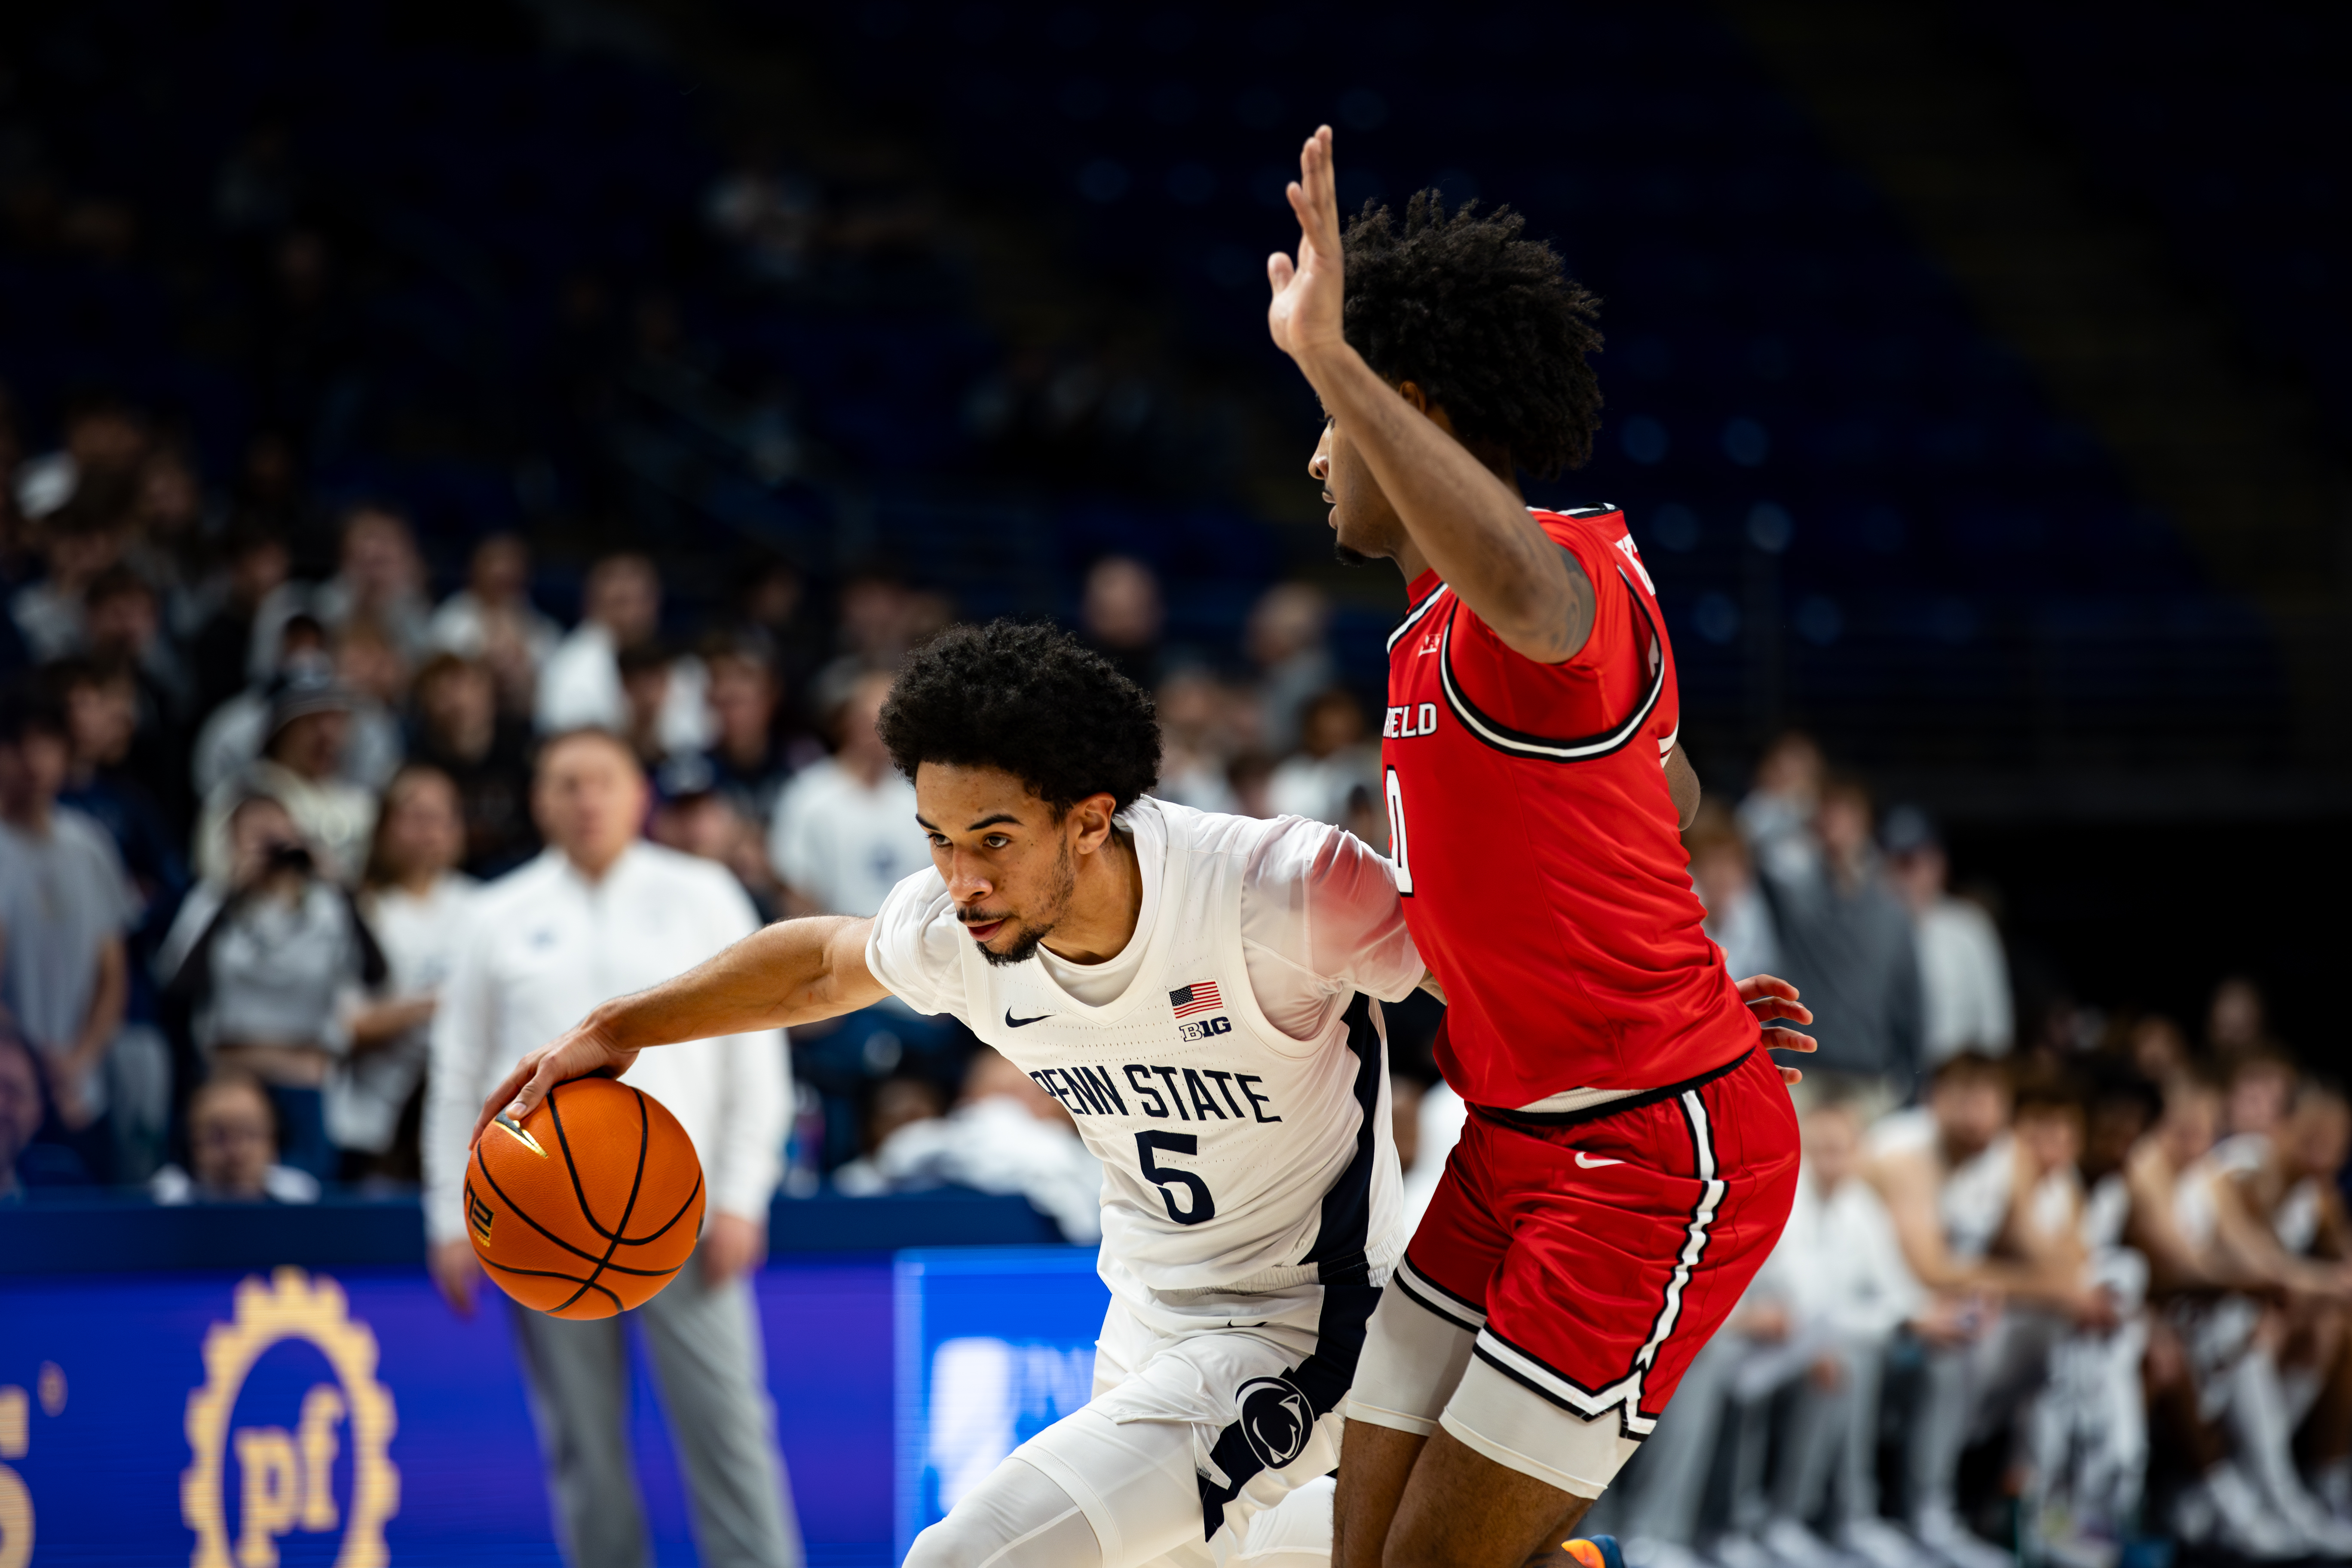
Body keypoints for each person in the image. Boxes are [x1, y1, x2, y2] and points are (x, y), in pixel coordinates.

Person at [477, 620, 1443, 1568]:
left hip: (1308, 1326)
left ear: (1091, 820)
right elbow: (818, 965)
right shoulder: (959, 930)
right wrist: (618, 1028)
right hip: (1148, 1313)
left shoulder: (1279, 890)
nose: (963, 880)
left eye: (993, 840)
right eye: (937, 839)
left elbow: (1504, 987)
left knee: (966, 1557)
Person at [1262, 128, 1813, 1568]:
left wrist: (1335, 355)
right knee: (1361, 1548)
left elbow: (1528, 591)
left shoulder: (1549, 586)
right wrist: (1633, 982)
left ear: (1408, 410)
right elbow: (1664, 793)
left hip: (1646, 1157)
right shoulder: (1444, 635)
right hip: (1519, 1135)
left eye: (1335, 417)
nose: (1317, 451)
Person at [423, 727, 798, 1568]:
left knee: (729, 1431)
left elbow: (757, 1056)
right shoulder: (495, 915)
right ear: (539, 801)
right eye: (565, 783)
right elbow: (458, 1077)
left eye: (602, 781)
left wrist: (743, 1195)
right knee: (582, 1447)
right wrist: (450, 1216)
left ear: (639, 796)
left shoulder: (704, 894)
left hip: (683, 1212)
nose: (585, 799)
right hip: (538, 1221)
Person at [157, 792, 387, 1182]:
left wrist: (340, 884)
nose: (270, 849)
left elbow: (375, 974)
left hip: (305, 1081)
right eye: (255, 837)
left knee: (306, 1204)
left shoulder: (328, 906)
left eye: (278, 835)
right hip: (231, 1084)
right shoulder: (211, 902)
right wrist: (234, 893)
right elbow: (178, 990)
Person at [0, 686, 137, 1183]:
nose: (33, 760)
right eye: (16, 745)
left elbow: (112, 974)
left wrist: (78, 1061)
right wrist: (35, 1071)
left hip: (82, 1086)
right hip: (11, 1097)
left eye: (47, 743)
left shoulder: (90, 845)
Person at [1752, 774, 1923, 1115]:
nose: (1836, 825)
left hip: (1870, 1078)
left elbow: (1909, 1001)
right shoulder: (1796, 896)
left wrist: (1916, 1083)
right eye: (1828, 815)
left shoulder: (1892, 909)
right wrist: (1792, 811)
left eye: (1847, 814)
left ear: (1866, 822)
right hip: (1803, 1073)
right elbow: (1754, 852)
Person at [340, 766, 476, 1183]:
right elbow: (345, 1025)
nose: (429, 831)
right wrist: (435, 1005)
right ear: (384, 826)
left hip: (464, 1117)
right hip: (371, 1126)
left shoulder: (484, 907)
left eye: (441, 817)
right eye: (414, 817)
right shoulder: (360, 910)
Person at [194, 661, 379, 883]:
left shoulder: (360, 801)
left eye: (337, 720)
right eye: (312, 722)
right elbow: (219, 879)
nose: (328, 735)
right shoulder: (242, 797)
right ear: (280, 730)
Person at [536, 552, 711, 756]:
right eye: (621, 602)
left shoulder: (684, 664)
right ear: (592, 605)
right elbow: (567, 743)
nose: (633, 614)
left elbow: (697, 737)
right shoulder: (568, 665)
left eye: (641, 600)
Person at [1882, 806, 2012, 1065]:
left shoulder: (1968, 926)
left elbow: (1994, 1021)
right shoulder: (1869, 930)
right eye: (1894, 863)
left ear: (1938, 864)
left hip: (1955, 1077)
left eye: (1912, 863)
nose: (1904, 876)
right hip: (1888, 1080)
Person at [409, 651, 540, 876]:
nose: (460, 702)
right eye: (444, 693)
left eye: (469, 688)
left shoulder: (521, 744)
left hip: (523, 866)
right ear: (426, 704)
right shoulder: (418, 761)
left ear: (489, 694)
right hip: (452, 878)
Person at [150, 1072, 322, 1204]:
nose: (236, 1153)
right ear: (192, 1143)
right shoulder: (166, 1199)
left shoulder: (301, 1197)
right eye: (219, 1137)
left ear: (274, 1140)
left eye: (250, 1134)